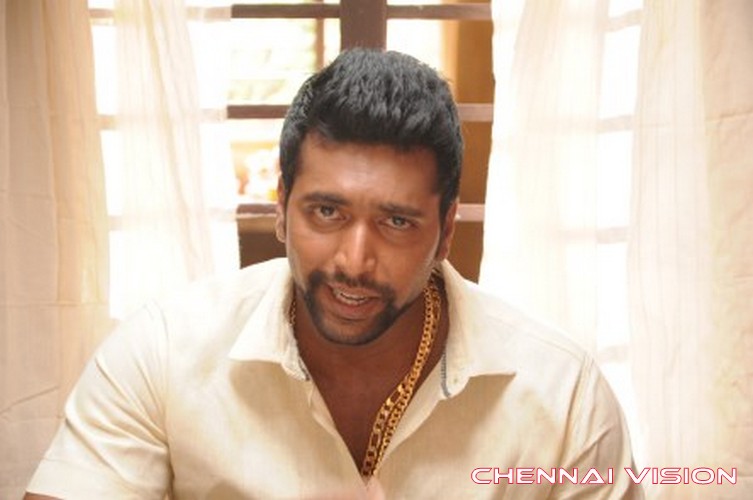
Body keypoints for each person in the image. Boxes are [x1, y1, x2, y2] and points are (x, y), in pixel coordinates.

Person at [25, 48, 642, 499]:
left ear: (446, 230)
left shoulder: (564, 395)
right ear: (282, 208)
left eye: (396, 222)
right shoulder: (162, 353)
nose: (354, 261)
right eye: (327, 212)